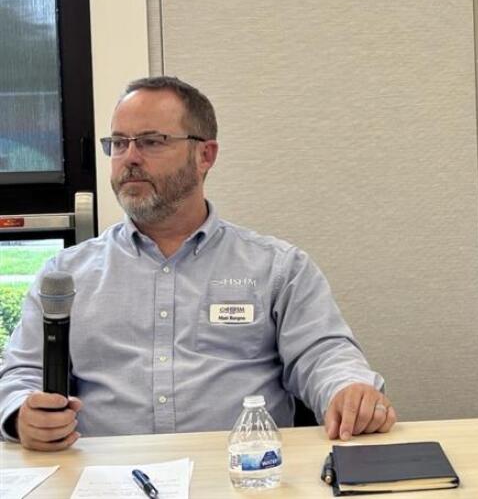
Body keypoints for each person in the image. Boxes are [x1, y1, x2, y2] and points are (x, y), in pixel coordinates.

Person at [0, 76, 396, 451]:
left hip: (243, 474)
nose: (130, 158)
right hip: (107, 478)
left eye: (151, 142)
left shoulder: (277, 267)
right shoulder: (66, 275)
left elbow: (323, 354)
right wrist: (21, 414)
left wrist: (349, 389)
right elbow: (20, 372)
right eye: (119, 143)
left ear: (205, 155)